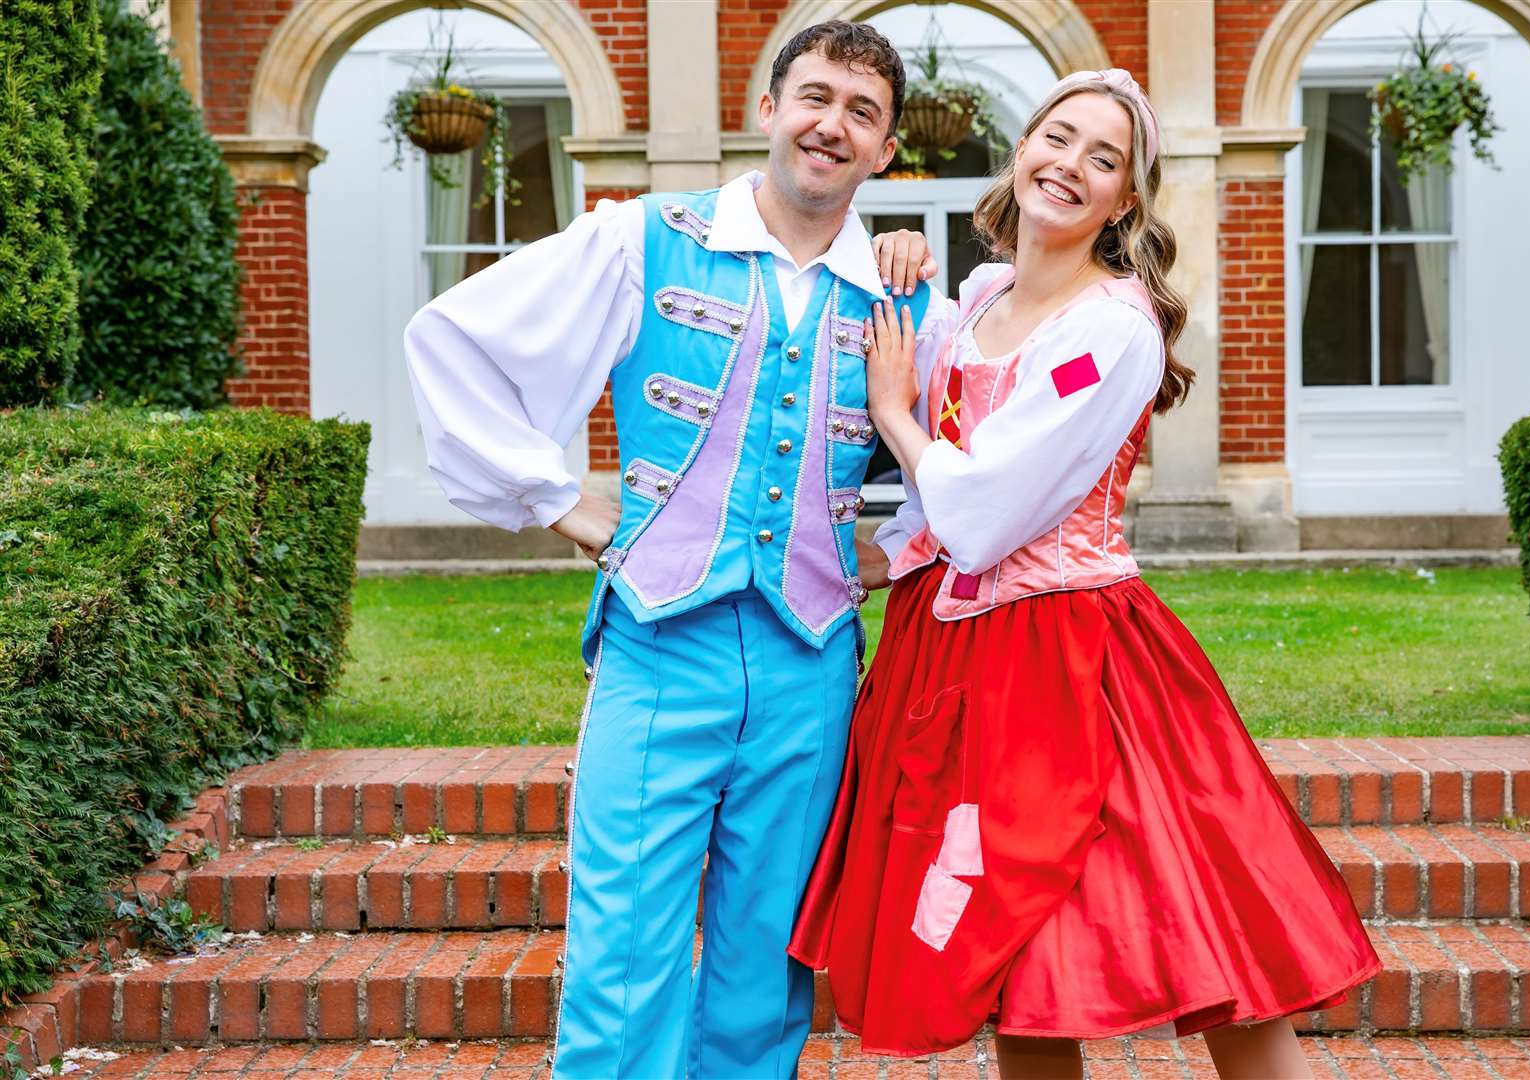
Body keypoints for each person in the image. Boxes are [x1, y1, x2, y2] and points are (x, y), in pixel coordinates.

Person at [787, 69, 1381, 1079]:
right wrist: (888, 256)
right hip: (949, 654)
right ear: (1022, 149)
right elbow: (942, 464)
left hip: (1074, 660)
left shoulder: (1114, 330)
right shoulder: (976, 299)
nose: (1069, 164)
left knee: (1203, 930)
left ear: (1126, 200)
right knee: (1019, 968)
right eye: (1057, 138)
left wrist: (896, 413)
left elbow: (984, 505)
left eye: (1102, 158)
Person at [402, 21, 951, 1079]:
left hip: (811, 663)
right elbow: (456, 340)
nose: (832, 125)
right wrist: (564, 504)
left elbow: (969, 447)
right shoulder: (642, 238)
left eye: (863, 113)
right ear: (769, 109)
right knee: (621, 959)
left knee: (765, 970)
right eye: (817, 97)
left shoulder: (906, 294)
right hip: (659, 648)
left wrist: (902, 545)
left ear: (886, 151)